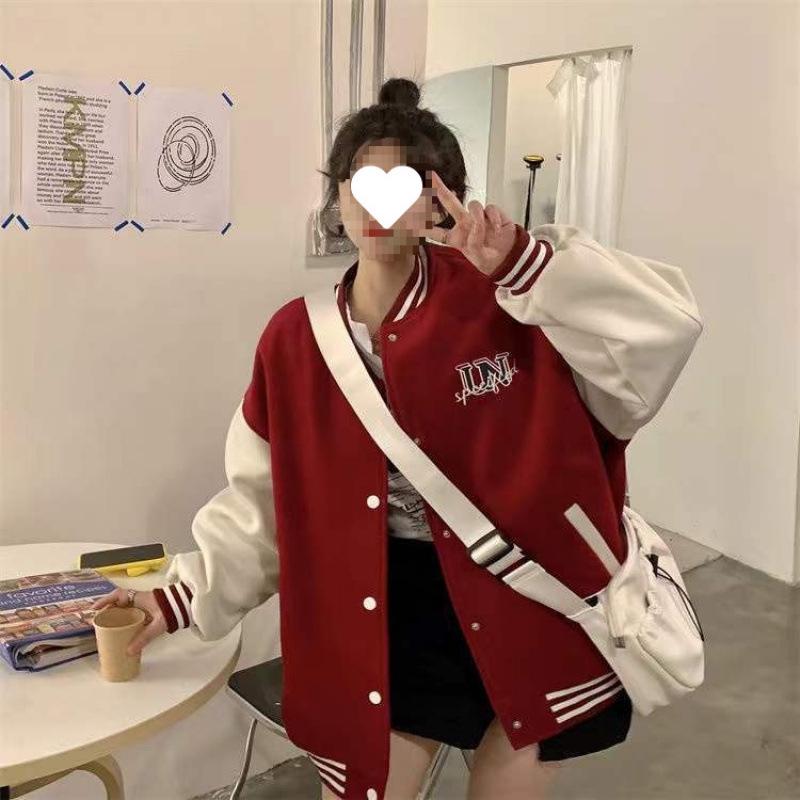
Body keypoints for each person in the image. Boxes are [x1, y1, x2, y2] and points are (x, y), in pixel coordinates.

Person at [92, 77, 703, 800]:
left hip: (533, 603)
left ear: (439, 201)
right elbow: (262, 503)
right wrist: (178, 597)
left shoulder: (512, 299)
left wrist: (526, 266)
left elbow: (663, 331)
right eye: (363, 182)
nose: (379, 205)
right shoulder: (295, 340)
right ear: (338, 196)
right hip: (378, 607)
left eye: (406, 184)